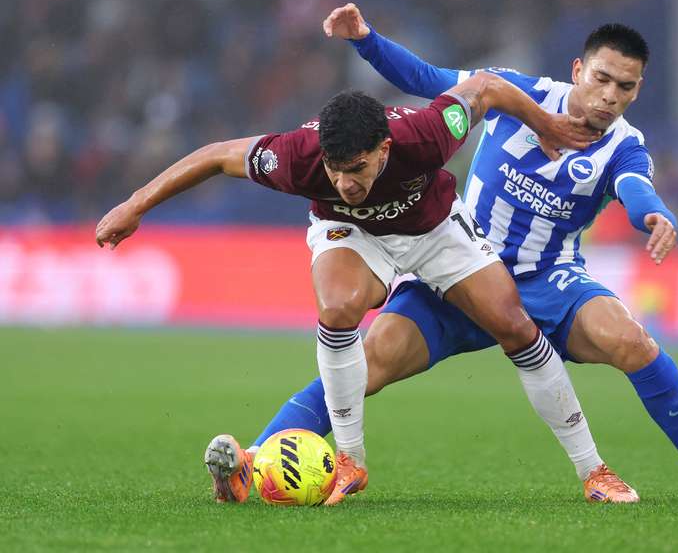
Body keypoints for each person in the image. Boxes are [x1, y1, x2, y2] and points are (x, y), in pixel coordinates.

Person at [246, 3, 678, 505]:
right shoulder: (517, 94)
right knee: (366, 366)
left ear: (637, 91)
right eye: (601, 79)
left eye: (624, 86)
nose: (608, 96)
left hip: (548, 281)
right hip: (449, 268)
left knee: (632, 341)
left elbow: (634, 184)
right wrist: (365, 39)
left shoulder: (625, 144)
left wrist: (654, 212)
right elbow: (426, 80)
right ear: (578, 70)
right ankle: (254, 460)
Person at [95, 70, 620, 506]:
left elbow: (485, 87)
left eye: (359, 168)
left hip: (434, 230)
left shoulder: (428, 132)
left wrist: (545, 123)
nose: (346, 180)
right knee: (339, 307)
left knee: (515, 326)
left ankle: (594, 470)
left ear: (385, 148)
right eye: (335, 168)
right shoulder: (296, 154)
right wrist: (134, 204)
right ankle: (350, 458)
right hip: (353, 232)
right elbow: (214, 155)